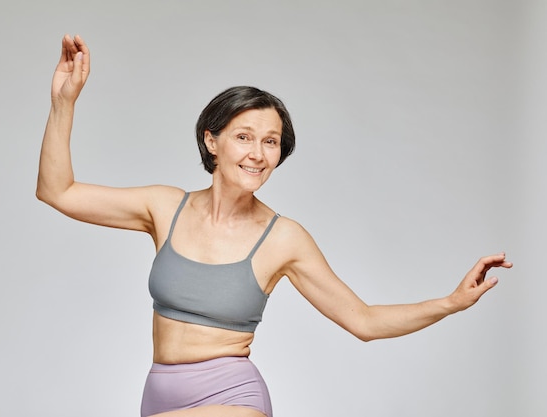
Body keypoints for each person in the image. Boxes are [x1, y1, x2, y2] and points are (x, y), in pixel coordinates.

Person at [36, 34, 513, 417]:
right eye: (244, 137)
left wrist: (450, 303)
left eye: (271, 141)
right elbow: (58, 191)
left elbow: (363, 321)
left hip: (232, 400)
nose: (258, 154)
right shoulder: (164, 207)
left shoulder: (284, 238)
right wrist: (64, 103)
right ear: (212, 141)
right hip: (156, 394)